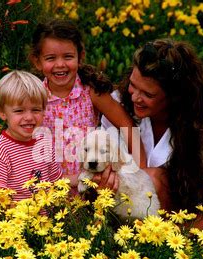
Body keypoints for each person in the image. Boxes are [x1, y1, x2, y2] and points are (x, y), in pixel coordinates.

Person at [101, 39, 203, 231]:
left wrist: (167, 243)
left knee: (152, 178)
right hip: (137, 209)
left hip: (194, 213)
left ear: (175, 97)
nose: (134, 97)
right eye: (133, 85)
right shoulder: (118, 103)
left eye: (148, 94)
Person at [29, 19, 147, 188]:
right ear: (37, 61)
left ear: (80, 56)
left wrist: (141, 173)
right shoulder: (34, 96)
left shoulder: (90, 92)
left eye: (68, 56)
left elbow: (127, 126)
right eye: (51, 58)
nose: (60, 64)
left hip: (91, 187)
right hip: (48, 189)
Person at [0, 70, 62, 200]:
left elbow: (57, 183)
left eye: (35, 110)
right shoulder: (0, 151)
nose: (29, 117)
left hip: (46, 218)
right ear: (2, 113)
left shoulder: (44, 142)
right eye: (19, 111)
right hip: (14, 218)